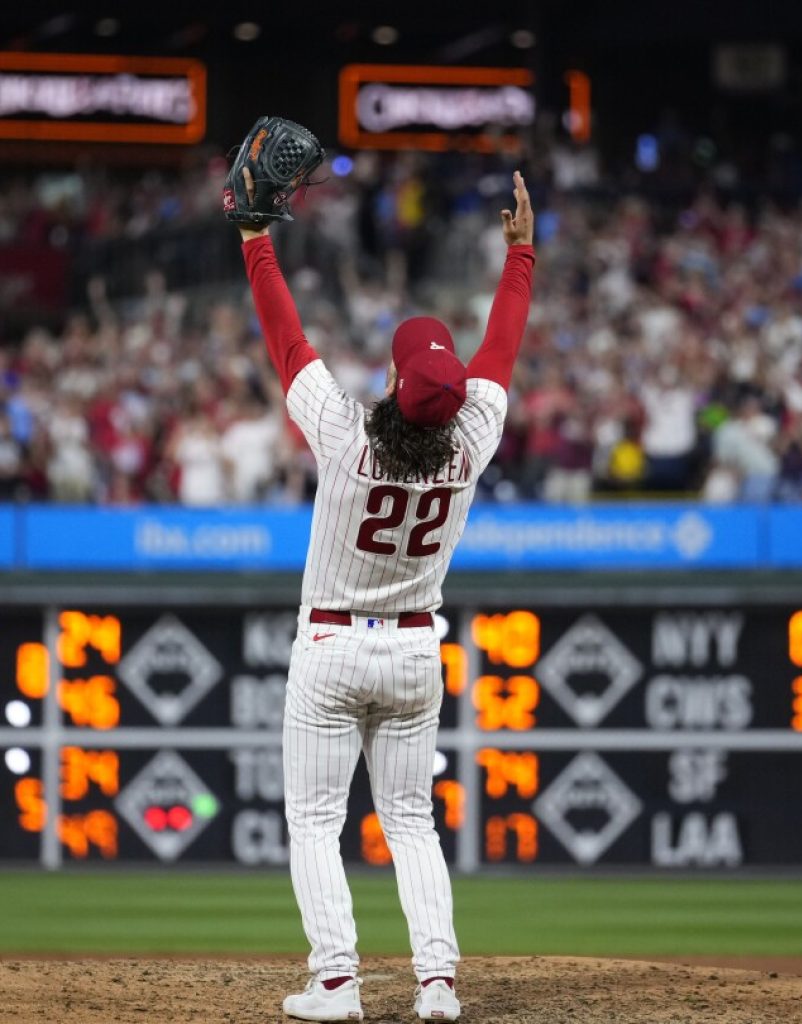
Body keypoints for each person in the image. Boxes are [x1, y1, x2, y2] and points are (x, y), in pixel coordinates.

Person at [234, 165, 535, 1022]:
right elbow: (503, 349)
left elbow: (288, 341)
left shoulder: (344, 430)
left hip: (332, 646)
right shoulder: (472, 437)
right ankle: (437, 984)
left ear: (398, 383)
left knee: (318, 825)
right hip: (414, 650)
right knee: (410, 823)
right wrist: (523, 257)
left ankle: (337, 984)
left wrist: (257, 240)